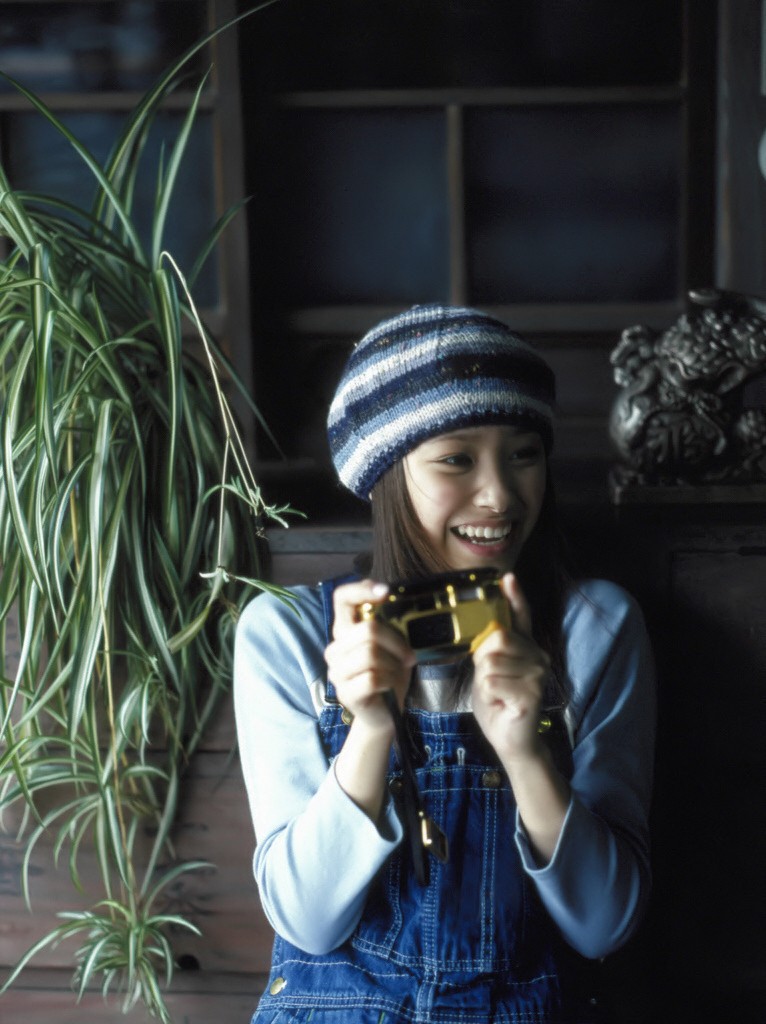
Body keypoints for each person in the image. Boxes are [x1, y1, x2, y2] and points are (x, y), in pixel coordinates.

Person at [234, 304, 656, 1024]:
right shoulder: (289, 634)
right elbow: (307, 922)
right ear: (388, 474)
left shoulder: (595, 626)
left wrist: (524, 752)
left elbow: (604, 926)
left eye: (524, 454)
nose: (500, 495)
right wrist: (370, 732)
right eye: (457, 459)